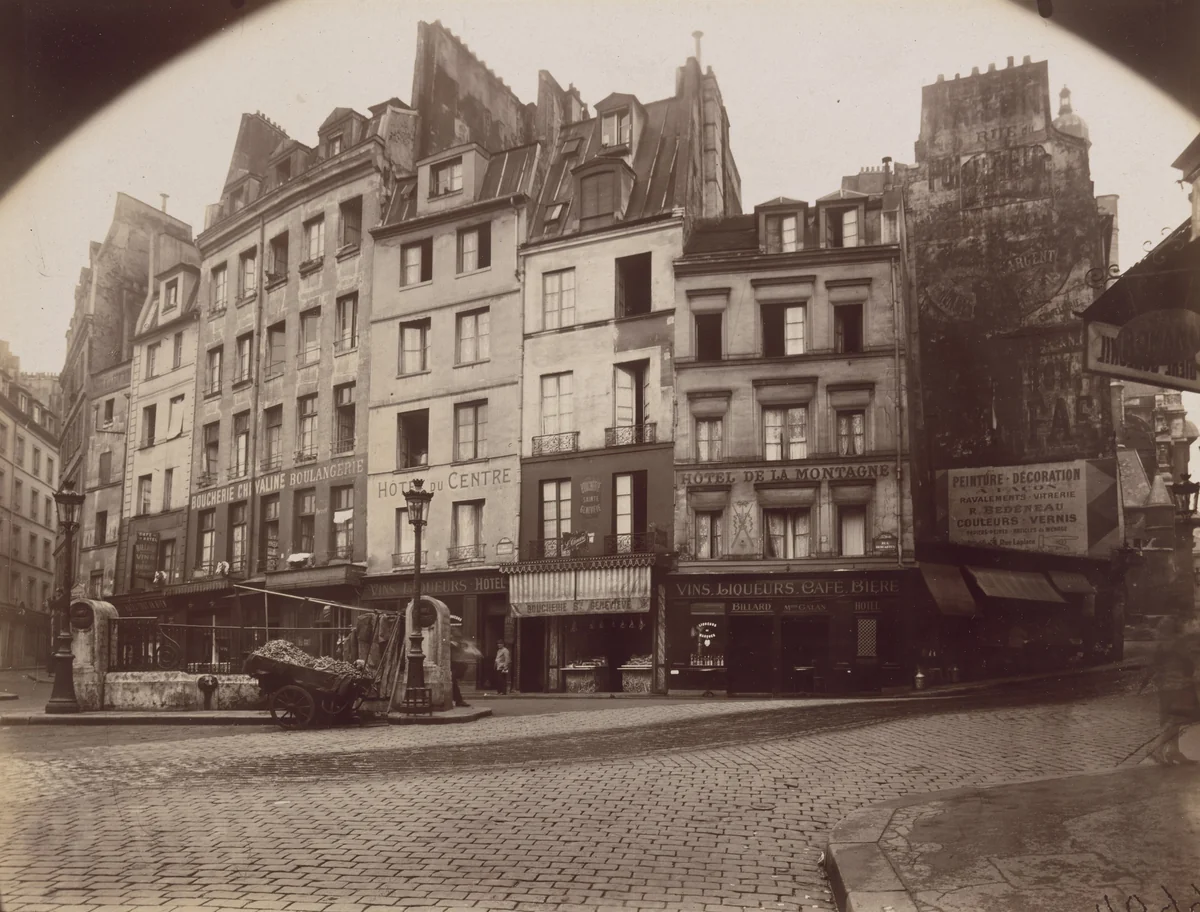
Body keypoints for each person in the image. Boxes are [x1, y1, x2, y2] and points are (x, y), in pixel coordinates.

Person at [1138, 616, 1200, 765]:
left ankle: (1173, 751)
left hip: (1166, 688)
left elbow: (1153, 667)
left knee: (1173, 719)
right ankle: (1155, 748)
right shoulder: (1178, 644)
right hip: (1178, 687)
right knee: (1177, 719)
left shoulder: (1162, 645)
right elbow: (1189, 662)